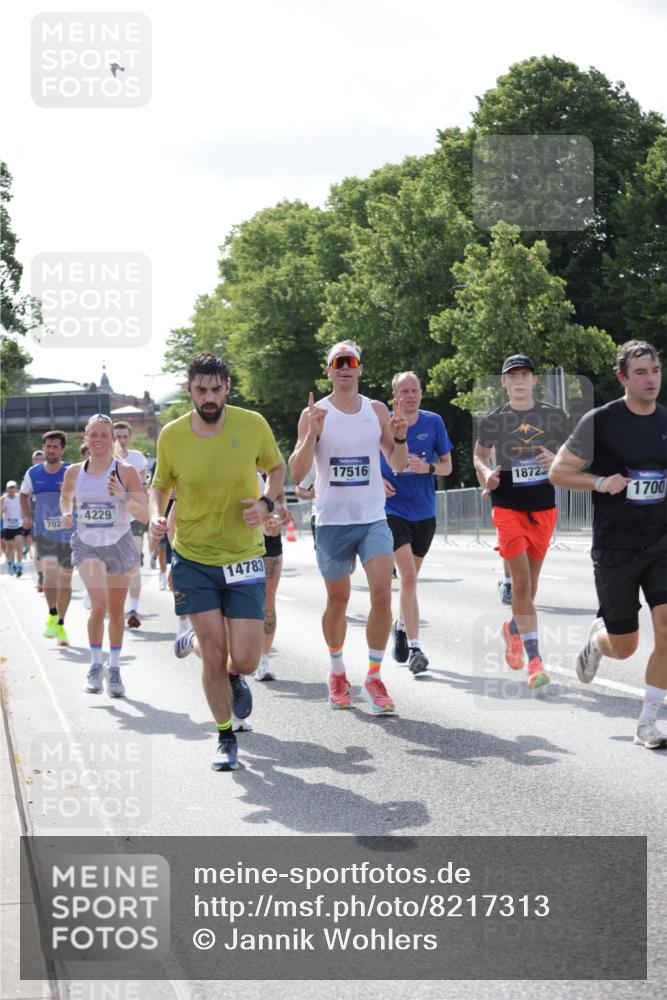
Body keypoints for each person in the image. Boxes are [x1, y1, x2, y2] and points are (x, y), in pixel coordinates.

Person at [149, 353, 285, 772]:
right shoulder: (171, 436)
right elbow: (161, 486)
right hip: (193, 555)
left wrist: (264, 504)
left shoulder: (252, 424)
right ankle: (225, 736)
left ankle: (230, 673)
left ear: (227, 387)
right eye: (200, 390)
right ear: (190, 389)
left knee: (244, 659)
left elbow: (277, 469)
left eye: (215, 389)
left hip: (244, 555)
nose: (208, 397)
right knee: (214, 652)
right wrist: (157, 515)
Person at [549, 340, 667, 748]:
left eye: (654, 369)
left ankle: (648, 723)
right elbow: (558, 472)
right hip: (616, 547)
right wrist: (600, 481)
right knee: (625, 646)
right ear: (622, 378)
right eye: (640, 372)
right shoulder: (600, 422)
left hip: (660, 542)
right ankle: (598, 642)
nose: (650, 378)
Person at [289, 340, 408, 715]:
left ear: (359, 368)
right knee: (338, 600)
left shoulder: (376, 410)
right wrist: (312, 434)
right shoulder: (315, 413)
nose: (344, 367)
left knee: (382, 595)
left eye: (350, 361)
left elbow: (399, 463)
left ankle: (373, 676)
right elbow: (296, 471)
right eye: (337, 362)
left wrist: (400, 436)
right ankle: (337, 671)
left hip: (372, 517)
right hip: (332, 521)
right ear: (329, 370)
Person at [473, 355, 569, 690]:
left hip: (543, 507)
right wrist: (487, 475)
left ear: (534, 380)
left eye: (525, 375)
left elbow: (577, 456)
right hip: (508, 507)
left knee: (533, 584)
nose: (518, 380)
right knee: (522, 584)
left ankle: (513, 628)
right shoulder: (493, 420)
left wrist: (557, 460)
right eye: (512, 376)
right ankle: (535, 661)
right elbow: (479, 455)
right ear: (503, 382)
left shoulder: (554, 417)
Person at [61, 414, 148, 697]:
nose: (98, 439)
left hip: (119, 542)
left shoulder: (125, 471)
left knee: (115, 610)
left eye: (103, 434)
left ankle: (114, 666)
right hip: (87, 543)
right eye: (93, 434)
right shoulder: (75, 471)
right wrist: (65, 512)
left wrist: (122, 496)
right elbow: (66, 496)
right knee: (98, 606)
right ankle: (95, 665)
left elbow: (145, 514)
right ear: (86, 438)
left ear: (112, 440)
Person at [381, 371, 453, 675]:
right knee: (408, 577)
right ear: (394, 396)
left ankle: (400, 624)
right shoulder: (382, 422)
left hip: (424, 512)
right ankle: (415, 647)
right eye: (404, 391)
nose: (410, 396)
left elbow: (448, 467)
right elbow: (366, 459)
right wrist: (377, 480)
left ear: (421, 394)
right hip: (392, 508)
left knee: (411, 581)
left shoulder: (433, 422)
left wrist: (428, 467)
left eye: (415, 390)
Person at [20, 431, 74, 645]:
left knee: (66, 579)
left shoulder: (72, 472)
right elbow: (24, 494)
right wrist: (26, 516)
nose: (50, 451)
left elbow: (85, 497)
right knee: (50, 573)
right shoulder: (33, 473)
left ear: (62, 450)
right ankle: (52, 613)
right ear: (43, 448)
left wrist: (70, 492)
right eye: (47, 447)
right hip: (44, 531)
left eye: (55, 447)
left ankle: (60, 622)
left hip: (69, 532)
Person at [113, 422, 149, 628]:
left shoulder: (137, 458)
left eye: (125, 436)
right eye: (117, 436)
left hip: (133, 517)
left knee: (133, 562)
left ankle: (134, 609)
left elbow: (144, 483)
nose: (121, 441)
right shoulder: (105, 458)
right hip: (111, 520)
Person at [255, 473, 289, 682]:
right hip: (235, 542)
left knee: (268, 600)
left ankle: (263, 660)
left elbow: (278, 492)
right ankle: (234, 659)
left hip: (268, 539)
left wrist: (281, 510)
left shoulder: (266, 462)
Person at [1, 481, 24, 577]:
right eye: (10, 488)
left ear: (16, 488)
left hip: (18, 525)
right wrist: (2, 510)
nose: (12, 489)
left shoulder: (20, 497)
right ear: (7, 489)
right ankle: (10, 563)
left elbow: (25, 508)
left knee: (18, 545)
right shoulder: (3, 499)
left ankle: (19, 565)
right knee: (10, 547)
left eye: (13, 487)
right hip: (7, 526)